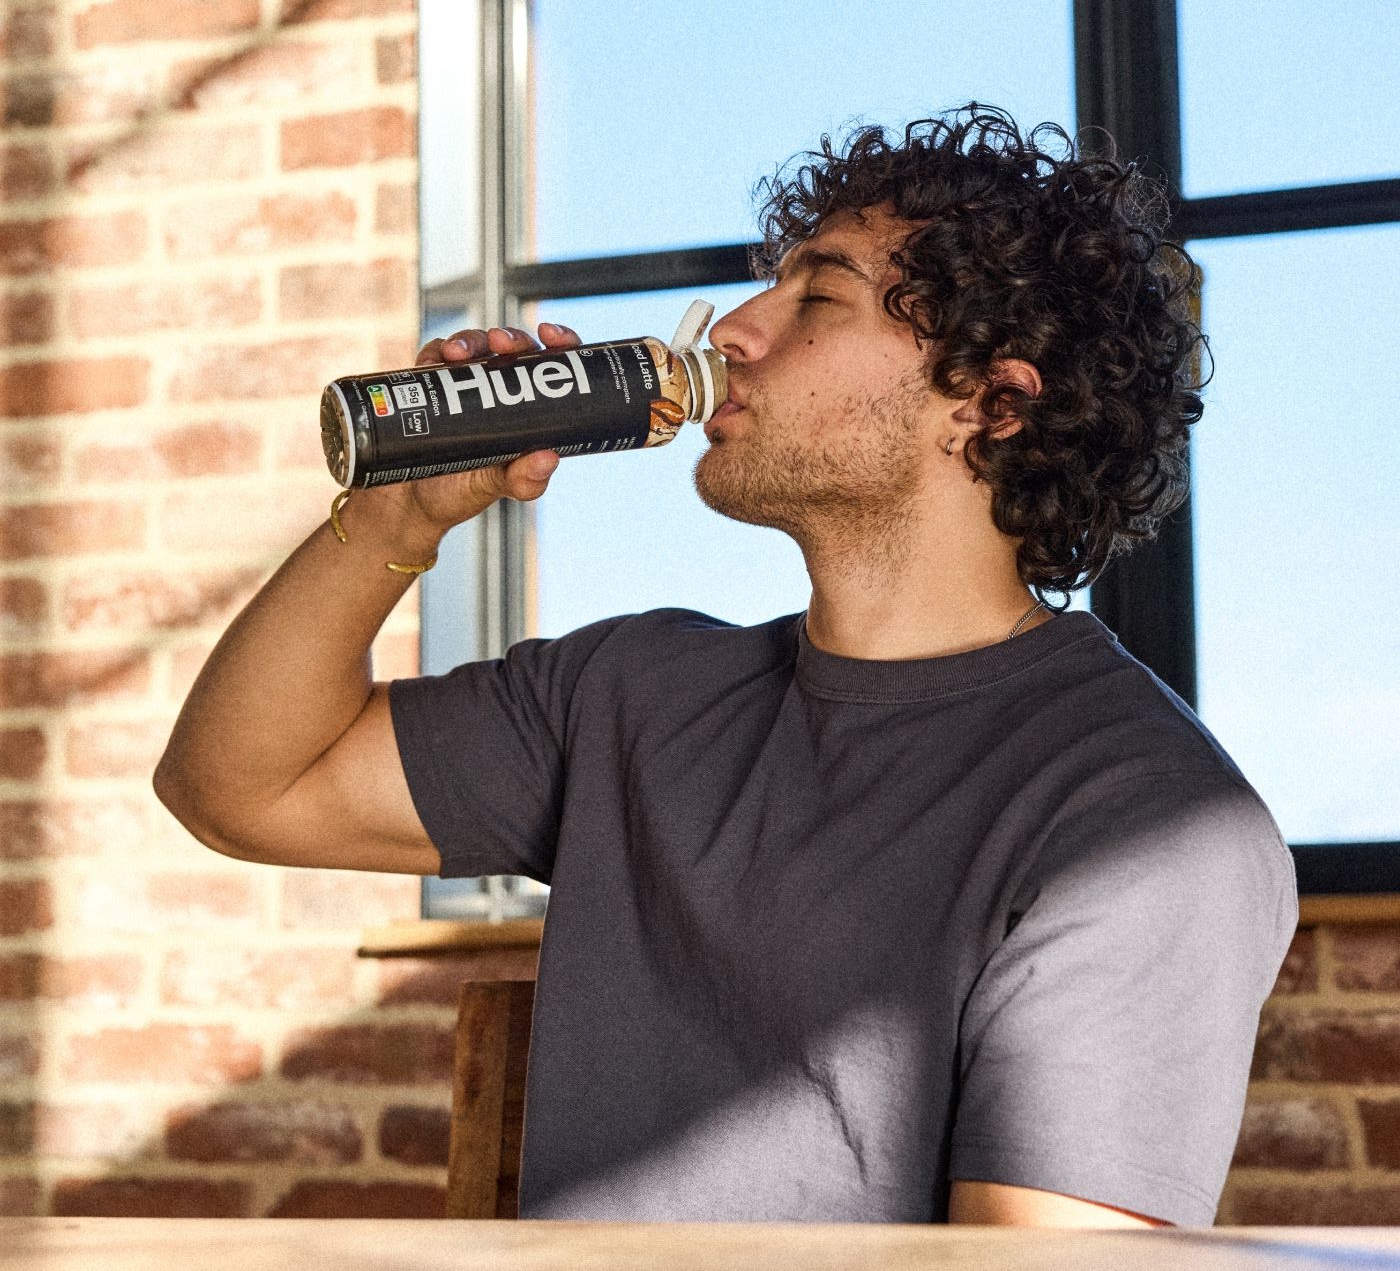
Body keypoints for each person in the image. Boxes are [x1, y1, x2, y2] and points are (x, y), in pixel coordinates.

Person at [154, 103, 1297, 1229]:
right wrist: (401, 513)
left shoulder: (1149, 826)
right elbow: (237, 786)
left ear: (989, 403)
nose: (737, 331)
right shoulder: (633, 692)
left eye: (818, 295)